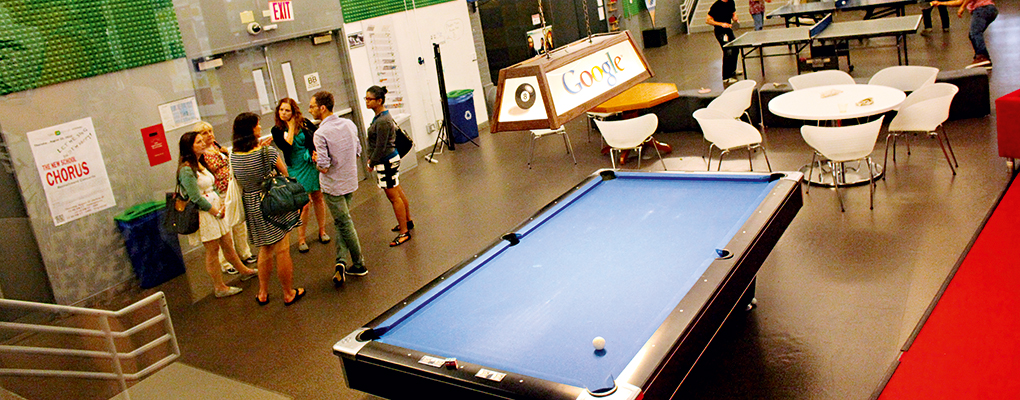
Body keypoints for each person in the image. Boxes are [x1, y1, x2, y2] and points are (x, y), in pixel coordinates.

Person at [230, 112, 306, 306]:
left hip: (252, 203)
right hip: (273, 201)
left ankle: (262, 292)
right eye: (257, 124)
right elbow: (285, 172)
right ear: (251, 129)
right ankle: (288, 292)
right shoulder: (267, 152)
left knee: (265, 248)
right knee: (282, 249)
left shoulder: (234, 156)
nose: (259, 127)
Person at [176, 131, 257, 298]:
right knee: (212, 250)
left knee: (227, 243)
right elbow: (195, 197)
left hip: (215, 210)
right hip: (205, 214)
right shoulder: (186, 170)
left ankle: (244, 271)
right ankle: (219, 286)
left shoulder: (200, 164)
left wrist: (220, 207)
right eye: (198, 142)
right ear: (189, 148)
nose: (203, 143)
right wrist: (215, 211)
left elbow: (210, 186)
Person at [310, 91, 368, 283]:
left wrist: (316, 161)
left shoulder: (320, 134)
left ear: (322, 108)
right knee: (341, 221)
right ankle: (341, 262)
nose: (309, 110)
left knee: (344, 223)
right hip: (350, 182)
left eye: (312, 106)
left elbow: (324, 168)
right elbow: (358, 151)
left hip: (333, 187)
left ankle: (359, 263)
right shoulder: (349, 124)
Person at [193, 122, 257, 274]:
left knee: (239, 224)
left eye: (210, 131)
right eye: (205, 132)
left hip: (231, 190)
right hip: (218, 194)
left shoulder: (217, 147)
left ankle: (245, 253)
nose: (210, 134)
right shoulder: (201, 156)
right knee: (224, 230)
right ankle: (227, 262)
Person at [271, 98, 330, 254]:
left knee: (318, 196)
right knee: (303, 204)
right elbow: (286, 145)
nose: (283, 113)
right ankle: (301, 238)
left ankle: (322, 230)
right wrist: (290, 127)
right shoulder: (276, 130)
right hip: (295, 167)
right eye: (281, 110)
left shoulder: (304, 123)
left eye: (287, 110)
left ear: (294, 111)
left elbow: (316, 136)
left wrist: (315, 152)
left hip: (309, 164)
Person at [364, 86, 414, 247]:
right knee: (398, 190)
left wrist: (371, 162)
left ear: (379, 101)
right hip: (388, 159)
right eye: (366, 99)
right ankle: (407, 221)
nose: (366, 102)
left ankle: (404, 232)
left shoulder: (383, 121)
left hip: (386, 161)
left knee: (393, 197)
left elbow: (380, 146)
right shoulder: (381, 117)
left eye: (369, 99)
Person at [930, 0, 996, 69]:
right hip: (989, 10)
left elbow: (964, 2)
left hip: (983, 9)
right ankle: (983, 59)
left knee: (975, 33)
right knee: (973, 34)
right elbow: (961, 1)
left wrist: (962, 7)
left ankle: (982, 57)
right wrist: (940, 3)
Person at [706, 0, 739, 83]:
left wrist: (734, 17)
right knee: (728, 51)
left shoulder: (731, 2)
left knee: (735, 49)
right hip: (720, 32)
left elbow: (733, 13)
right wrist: (721, 24)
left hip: (728, 30)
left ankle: (732, 71)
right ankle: (726, 77)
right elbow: (708, 20)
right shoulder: (716, 5)